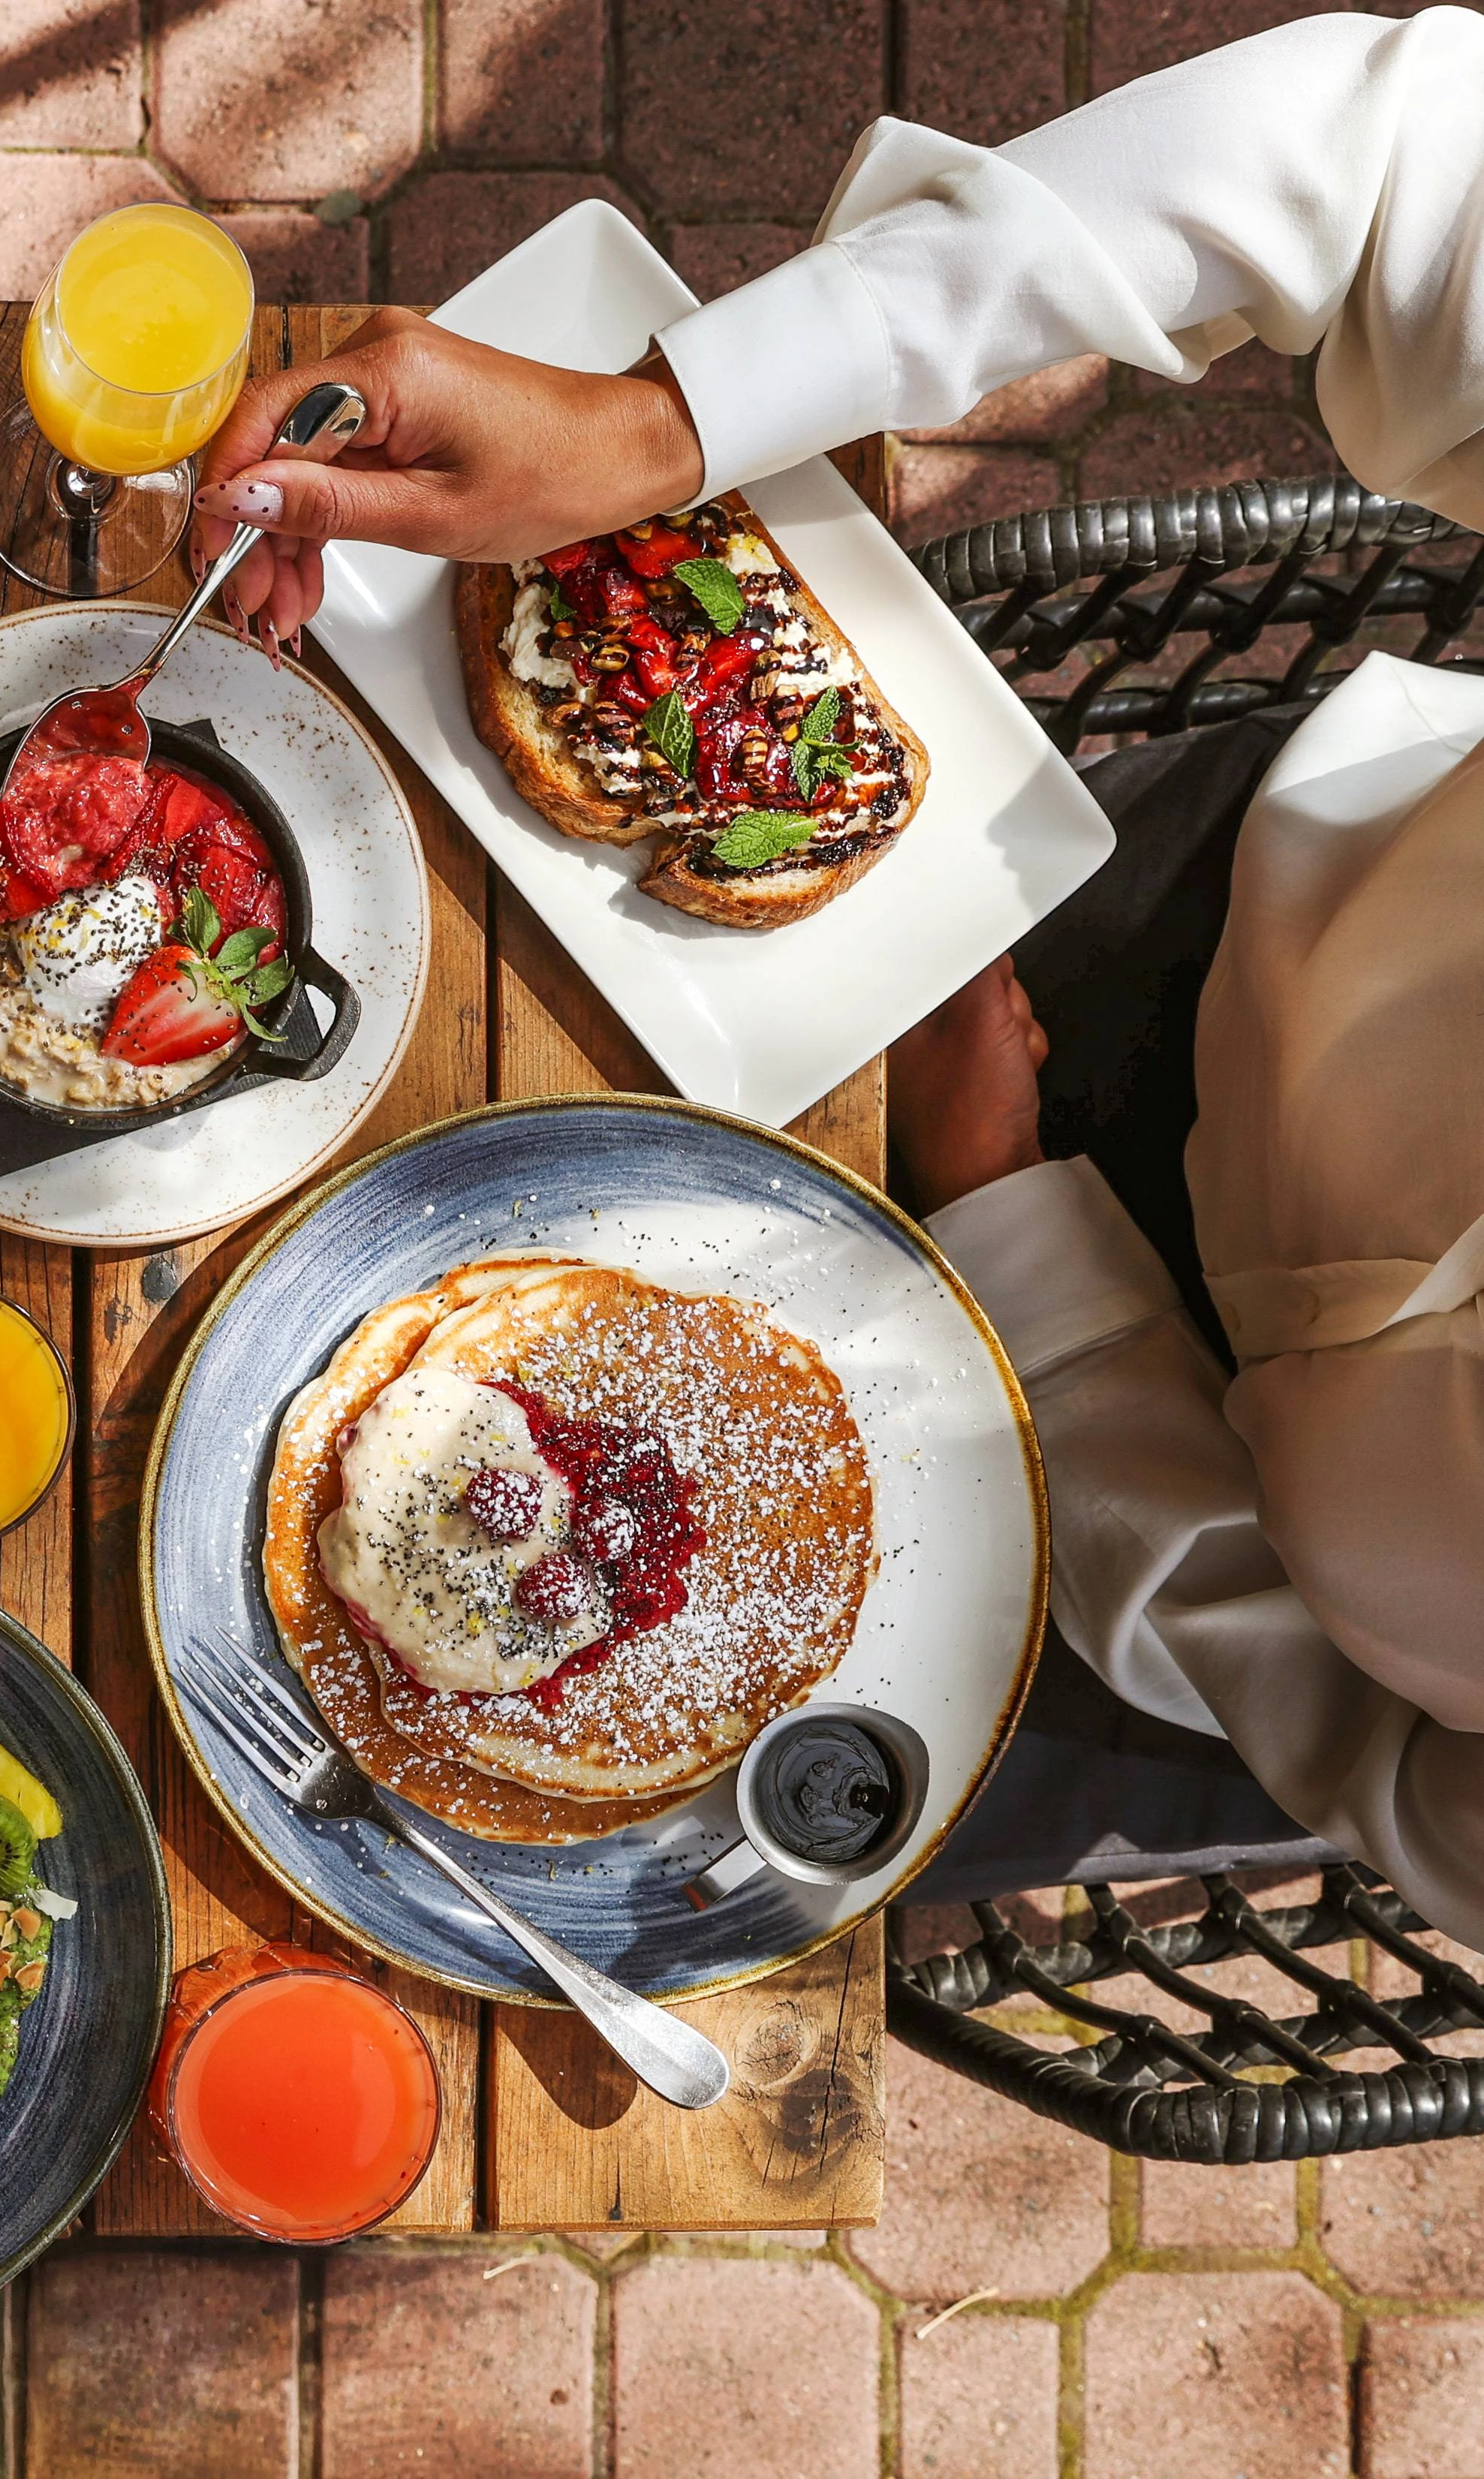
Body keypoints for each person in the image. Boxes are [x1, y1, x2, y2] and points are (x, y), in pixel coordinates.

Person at [194, 8, 1484, 1941]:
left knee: (574, 1868)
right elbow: (1402, 161)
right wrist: (664, 425)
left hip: (1108, 1598)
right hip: (1208, 928)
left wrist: (1013, 1241)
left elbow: (1380, 1766)